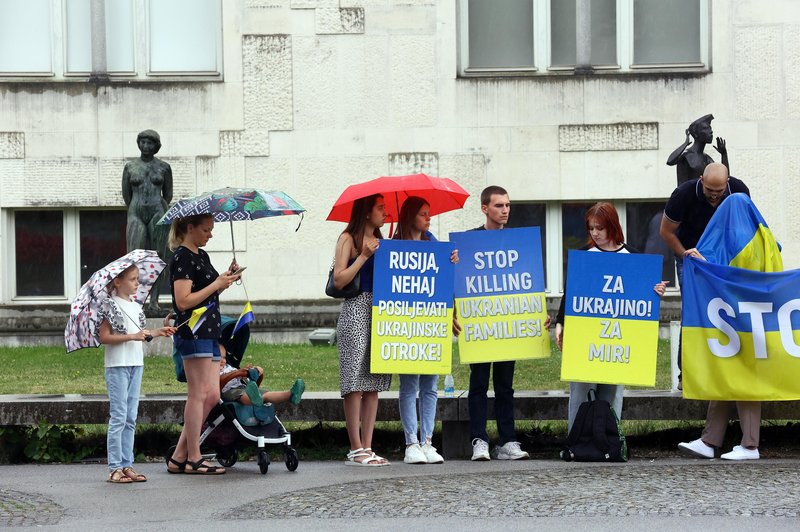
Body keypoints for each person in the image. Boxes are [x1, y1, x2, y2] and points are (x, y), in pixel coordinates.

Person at [677, 193, 777, 461]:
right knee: (728, 375)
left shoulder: (734, 240)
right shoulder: (765, 240)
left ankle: (750, 445)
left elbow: (723, 276)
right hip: (756, 319)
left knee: (741, 378)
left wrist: (701, 261)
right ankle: (710, 440)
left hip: (735, 321)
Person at [554, 202, 667, 432]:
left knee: (612, 392)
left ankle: (609, 440)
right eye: (591, 228)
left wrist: (656, 291)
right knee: (581, 390)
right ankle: (577, 439)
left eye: (599, 228)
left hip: (618, 338)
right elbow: (571, 293)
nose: (595, 233)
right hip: (586, 336)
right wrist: (560, 322)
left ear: (612, 226)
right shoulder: (585, 256)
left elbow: (642, 297)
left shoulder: (633, 256)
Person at [659, 162, 749, 385]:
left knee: (730, 309)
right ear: (701, 180)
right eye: (709, 191)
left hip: (724, 260)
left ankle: (729, 369)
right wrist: (686, 257)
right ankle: (686, 375)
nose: (714, 197)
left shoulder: (739, 191)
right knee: (693, 310)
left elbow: (746, 227)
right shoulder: (683, 194)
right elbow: (666, 232)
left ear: (727, 184)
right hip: (690, 258)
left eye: (719, 192)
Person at [166, 214, 239, 475]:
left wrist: (224, 280)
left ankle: (178, 456)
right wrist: (216, 284)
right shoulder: (183, 257)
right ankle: (193, 458)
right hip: (193, 331)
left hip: (209, 331)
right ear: (190, 228)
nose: (210, 234)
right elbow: (184, 301)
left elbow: (206, 292)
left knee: (212, 395)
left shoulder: (201, 256)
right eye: (206, 230)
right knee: (197, 394)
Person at [391, 196, 458, 465]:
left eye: (429, 213)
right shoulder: (394, 247)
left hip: (432, 321)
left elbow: (444, 283)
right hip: (406, 322)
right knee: (409, 383)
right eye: (423, 214)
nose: (428, 218)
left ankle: (428, 441)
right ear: (410, 217)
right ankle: (411, 442)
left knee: (431, 383)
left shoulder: (435, 246)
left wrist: (452, 261)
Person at [466, 186, 530, 461]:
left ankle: (508, 440)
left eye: (507, 205)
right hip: (480, 323)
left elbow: (527, 281)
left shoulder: (517, 241)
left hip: (507, 323)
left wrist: (535, 312)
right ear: (485, 208)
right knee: (478, 382)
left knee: (505, 384)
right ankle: (479, 439)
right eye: (499, 206)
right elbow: (461, 280)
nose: (505, 210)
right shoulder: (470, 241)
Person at [98, 264, 176, 483]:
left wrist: (158, 332)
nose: (137, 283)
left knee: (131, 417)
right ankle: (114, 468)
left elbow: (142, 334)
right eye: (133, 279)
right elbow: (104, 337)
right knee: (119, 416)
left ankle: (127, 464)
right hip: (117, 366)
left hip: (135, 364)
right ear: (118, 282)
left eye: (137, 279)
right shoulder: (110, 306)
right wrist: (132, 337)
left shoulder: (135, 306)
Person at [333, 194, 392, 466]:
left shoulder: (384, 241)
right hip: (356, 308)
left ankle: (368, 445)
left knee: (373, 382)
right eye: (380, 208)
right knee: (353, 381)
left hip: (379, 311)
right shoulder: (347, 238)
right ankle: (355, 448)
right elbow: (339, 279)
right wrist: (363, 256)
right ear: (366, 212)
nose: (385, 212)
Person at [122, 129, 173, 311]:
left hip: (157, 211)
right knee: (135, 258)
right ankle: (137, 300)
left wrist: (157, 208)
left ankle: (154, 301)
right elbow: (126, 195)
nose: (146, 146)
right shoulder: (130, 167)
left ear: (156, 146)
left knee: (158, 256)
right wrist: (137, 208)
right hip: (136, 212)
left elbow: (168, 194)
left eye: (150, 143)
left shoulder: (164, 167)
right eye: (142, 142)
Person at [219, 345, 305, 406]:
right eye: (219, 357)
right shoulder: (212, 371)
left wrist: (246, 371)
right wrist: (238, 373)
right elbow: (218, 381)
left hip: (243, 386)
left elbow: (239, 375)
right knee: (242, 396)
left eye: (224, 357)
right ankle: (254, 399)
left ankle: (291, 394)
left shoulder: (228, 367)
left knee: (266, 394)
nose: (223, 361)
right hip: (229, 390)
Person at [666, 114, 729, 186]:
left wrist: (724, 155)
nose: (711, 131)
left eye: (710, 128)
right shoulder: (686, 156)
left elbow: (724, 179)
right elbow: (670, 161)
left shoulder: (708, 159)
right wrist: (685, 144)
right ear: (696, 134)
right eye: (706, 128)